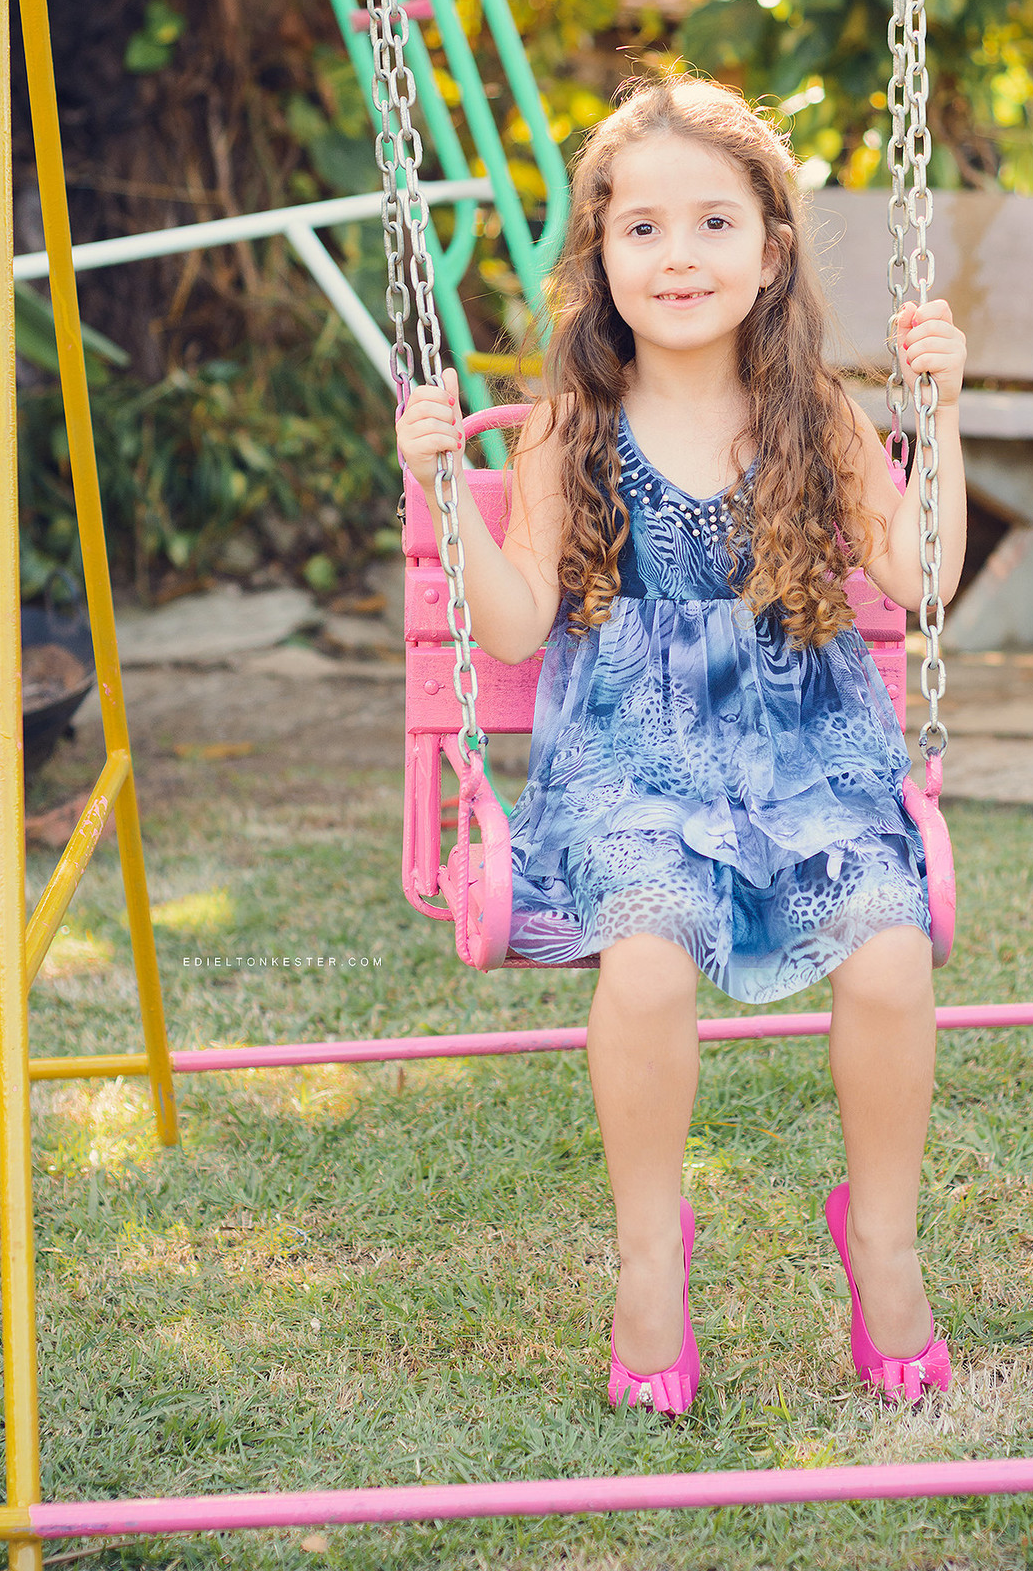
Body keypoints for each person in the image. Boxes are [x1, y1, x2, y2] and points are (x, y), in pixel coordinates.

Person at [395, 74, 967, 1414]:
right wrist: (444, 499)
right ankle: (651, 1252)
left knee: (887, 949)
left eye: (714, 224)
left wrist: (938, 413)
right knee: (644, 962)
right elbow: (520, 623)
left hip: (807, 762)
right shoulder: (569, 426)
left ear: (772, 254)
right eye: (641, 228)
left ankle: (882, 1239)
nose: (678, 255)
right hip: (631, 771)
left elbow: (920, 575)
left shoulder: (812, 412)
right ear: (600, 257)